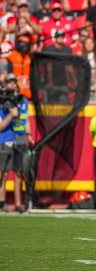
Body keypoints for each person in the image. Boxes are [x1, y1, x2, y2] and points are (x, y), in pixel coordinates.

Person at [7, 74, 33, 212]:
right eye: (9, 82)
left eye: (13, 82)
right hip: (7, 136)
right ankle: (3, 202)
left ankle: (19, 203)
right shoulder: (5, 99)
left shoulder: (23, 100)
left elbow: (26, 119)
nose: (12, 84)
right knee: (3, 172)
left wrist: (29, 135)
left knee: (19, 171)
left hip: (20, 137)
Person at [0, 87, 19, 211]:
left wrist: (15, 115)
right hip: (1, 143)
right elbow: (0, 127)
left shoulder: (7, 109)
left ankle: (1, 203)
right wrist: (11, 115)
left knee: (5, 176)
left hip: (10, 143)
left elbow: (17, 124)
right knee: (0, 175)